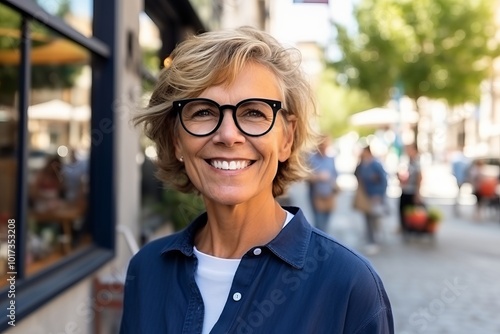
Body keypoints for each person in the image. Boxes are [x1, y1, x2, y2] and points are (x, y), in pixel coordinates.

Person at [120, 27, 393, 333]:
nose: (228, 135)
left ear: (286, 139)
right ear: (176, 141)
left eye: (253, 113)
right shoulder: (146, 271)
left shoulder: (348, 285)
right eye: (203, 112)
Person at [354, 146, 388, 254]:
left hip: (375, 195)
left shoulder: (376, 164)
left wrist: (380, 194)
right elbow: (356, 173)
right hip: (365, 196)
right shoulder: (363, 165)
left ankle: (375, 241)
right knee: (367, 219)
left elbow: (383, 180)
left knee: (375, 220)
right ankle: (370, 239)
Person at [307, 135, 338, 232]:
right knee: (319, 223)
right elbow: (306, 176)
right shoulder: (311, 159)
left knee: (326, 221)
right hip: (316, 195)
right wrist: (318, 177)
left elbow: (335, 174)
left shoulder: (331, 159)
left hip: (329, 194)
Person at [398, 143, 422, 234]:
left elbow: (419, 178)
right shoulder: (407, 162)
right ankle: (404, 228)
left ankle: (411, 230)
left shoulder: (417, 162)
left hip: (412, 191)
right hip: (405, 189)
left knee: (411, 213)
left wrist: (418, 193)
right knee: (403, 211)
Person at [450, 150, 470, 217]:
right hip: (460, 179)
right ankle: (456, 207)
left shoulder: (458, 161)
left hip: (459, 179)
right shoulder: (463, 161)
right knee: (458, 194)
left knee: (458, 194)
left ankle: (456, 207)